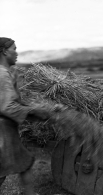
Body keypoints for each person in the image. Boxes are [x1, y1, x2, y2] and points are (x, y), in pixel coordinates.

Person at [0, 37, 50, 195]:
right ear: (4, 51)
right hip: (3, 129)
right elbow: (7, 107)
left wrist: (36, 111)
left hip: (7, 128)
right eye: (14, 49)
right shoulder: (2, 75)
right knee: (8, 168)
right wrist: (34, 111)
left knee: (24, 163)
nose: (16, 53)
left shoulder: (8, 73)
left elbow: (15, 102)